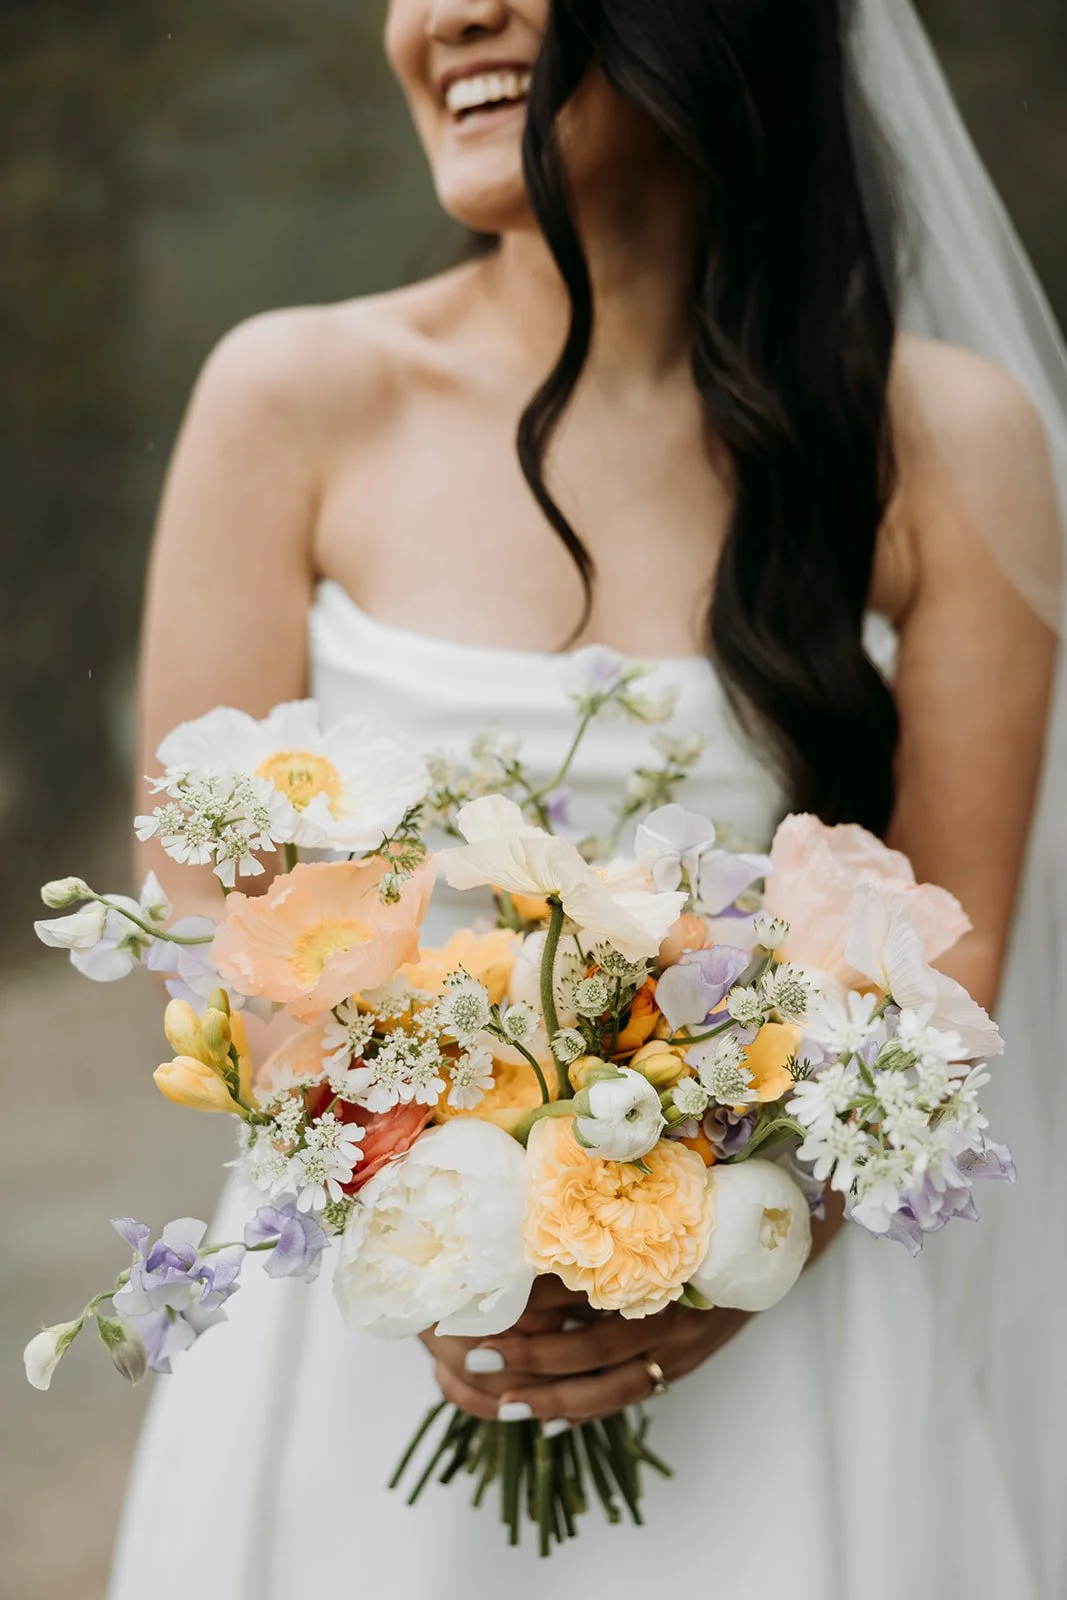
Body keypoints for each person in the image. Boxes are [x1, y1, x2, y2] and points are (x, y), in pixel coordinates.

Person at [111, 1, 1066, 1595]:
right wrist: (427, 1177)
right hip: (372, 1332)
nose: (443, 15)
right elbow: (197, 901)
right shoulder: (289, 395)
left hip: (780, 1358)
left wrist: (728, 1239)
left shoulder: (943, 439)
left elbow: (951, 961)